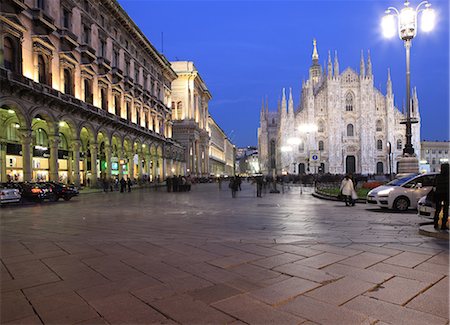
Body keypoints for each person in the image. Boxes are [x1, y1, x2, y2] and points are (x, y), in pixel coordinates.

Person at [434, 163, 449, 230]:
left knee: (437, 209)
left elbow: (434, 185)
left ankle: (435, 224)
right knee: (445, 210)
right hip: (446, 194)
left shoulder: (437, 176)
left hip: (438, 194)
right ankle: (443, 225)